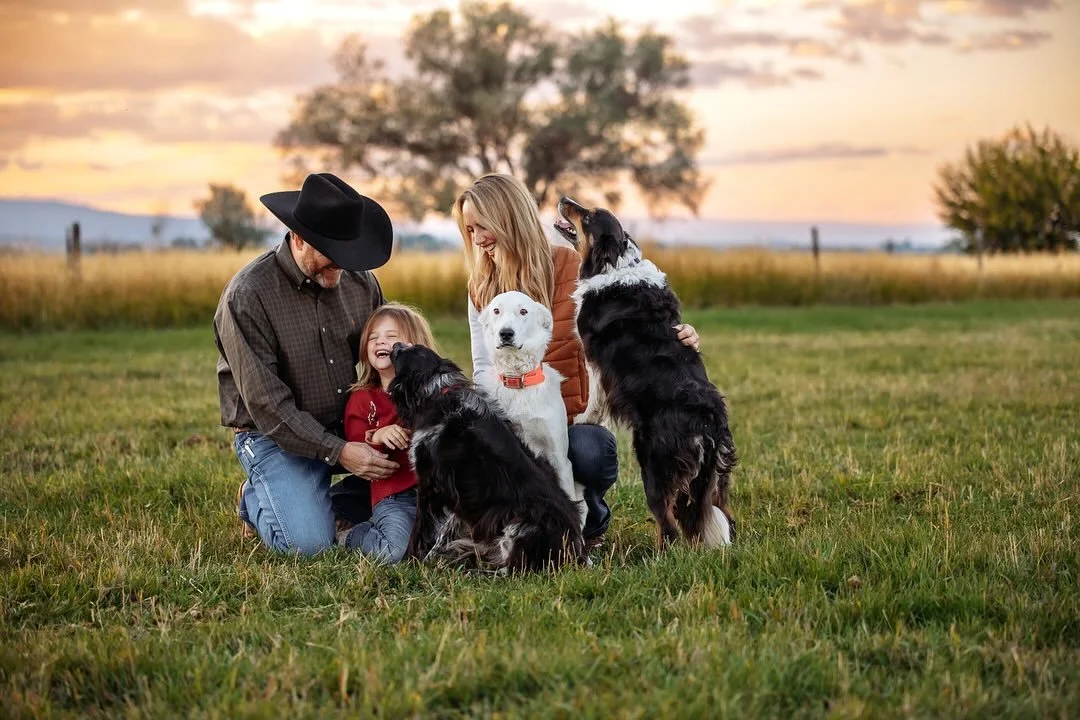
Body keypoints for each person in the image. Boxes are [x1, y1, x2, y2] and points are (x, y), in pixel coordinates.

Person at [452, 173, 700, 547]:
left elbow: (623, 326)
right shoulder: (480, 288)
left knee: (590, 451)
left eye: (483, 225)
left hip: (569, 419)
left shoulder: (570, 266)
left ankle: (589, 520)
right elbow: (483, 366)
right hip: (512, 412)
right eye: (469, 230)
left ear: (509, 217)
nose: (478, 239)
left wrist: (676, 337)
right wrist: (499, 427)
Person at [215, 172, 401, 555]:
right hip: (272, 436)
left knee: (422, 487)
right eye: (332, 255)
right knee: (311, 544)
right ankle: (257, 497)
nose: (343, 266)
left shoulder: (360, 282)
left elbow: (382, 364)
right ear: (298, 238)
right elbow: (268, 407)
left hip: (349, 423)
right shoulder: (249, 295)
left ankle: (312, 495)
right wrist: (340, 452)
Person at [337, 303, 438, 562]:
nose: (381, 341)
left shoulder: (432, 392)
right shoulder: (363, 398)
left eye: (391, 337)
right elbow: (356, 444)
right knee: (396, 552)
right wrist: (377, 435)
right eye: (373, 337)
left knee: (441, 550)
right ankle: (349, 534)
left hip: (437, 493)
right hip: (393, 494)